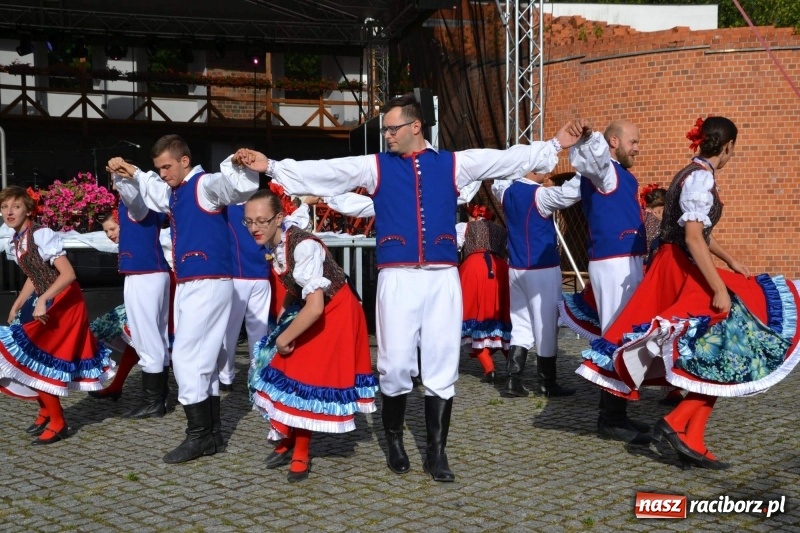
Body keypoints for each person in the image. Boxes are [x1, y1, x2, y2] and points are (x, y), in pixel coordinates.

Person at [233, 92, 587, 482]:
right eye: (385, 129)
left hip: (441, 277)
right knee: (396, 364)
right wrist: (273, 166)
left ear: (416, 127)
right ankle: (395, 439)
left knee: (441, 362)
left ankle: (437, 452)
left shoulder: (454, 163)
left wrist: (555, 145)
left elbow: (503, 158)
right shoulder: (376, 166)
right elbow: (331, 170)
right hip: (397, 277)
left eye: (391, 128)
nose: (386, 135)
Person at [576, 116, 800, 469]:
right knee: (729, 337)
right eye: (732, 150)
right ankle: (676, 425)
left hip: (675, 263)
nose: (731, 156)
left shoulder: (689, 172)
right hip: (681, 269)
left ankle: (690, 434)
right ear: (726, 147)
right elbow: (694, 237)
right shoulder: (701, 178)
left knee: (717, 344)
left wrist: (732, 261)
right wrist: (718, 287)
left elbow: (699, 233)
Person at [107, 134, 259, 464]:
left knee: (187, 358)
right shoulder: (176, 193)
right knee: (201, 359)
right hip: (195, 282)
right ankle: (211, 435)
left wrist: (237, 166)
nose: (163, 173)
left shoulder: (204, 185)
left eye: (167, 166)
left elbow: (236, 189)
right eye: (159, 168)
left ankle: (198, 435)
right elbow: (154, 191)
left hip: (208, 282)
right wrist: (131, 170)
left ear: (184, 161)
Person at [245, 189, 378, 482]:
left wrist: (283, 338)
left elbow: (316, 305)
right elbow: (296, 286)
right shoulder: (277, 241)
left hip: (336, 311)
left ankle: (300, 450)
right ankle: (287, 438)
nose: (255, 227)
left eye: (261, 221)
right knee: (281, 369)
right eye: (249, 221)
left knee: (304, 375)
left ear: (278, 218)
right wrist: (283, 316)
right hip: (313, 307)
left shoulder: (303, 246)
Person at [559, 120, 652, 445]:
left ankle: (617, 413)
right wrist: (589, 137)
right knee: (619, 335)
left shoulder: (618, 175)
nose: (638, 147)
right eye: (634, 141)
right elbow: (593, 159)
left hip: (624, 261)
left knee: (626, 334)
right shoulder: (606, 172)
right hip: (613, 263)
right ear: (614, 141)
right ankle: (610, 419)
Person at [0, 186, 114, 444]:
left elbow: (68, 274)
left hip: (64, 302)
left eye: (16, 206)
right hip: (47, 298)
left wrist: (41, 300)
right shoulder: (17, 239)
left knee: (35, 356)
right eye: (5, 206)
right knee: (31, 357)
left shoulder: (41, 234)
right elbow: (34, 274)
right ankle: (45, 410)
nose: (9, 211)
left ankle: (58, 421)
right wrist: (17, 303)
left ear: (28, 210)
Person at [492, 171, 581, 397]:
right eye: (543, 168)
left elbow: (497, 183)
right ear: (531, 170)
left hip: (517, 267)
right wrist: (586, 169)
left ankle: (513, 379)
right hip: (541, 268)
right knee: (546, 326)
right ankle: (547, 383)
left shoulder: (506, 192)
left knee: (521, 324)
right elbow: (571, 193)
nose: (547, 173)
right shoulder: (539, 195)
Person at [90, 178, 173, 418]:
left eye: (119, 181)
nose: (116, 187)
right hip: (146, 272)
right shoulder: (134, 205)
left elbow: (134, 197)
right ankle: (157, 398)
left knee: (146, 338)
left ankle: (154, 401)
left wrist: (125, 175)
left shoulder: (138, 202)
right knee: (153, 337)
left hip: (145, 273)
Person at [218, 202, 272, 393]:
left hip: (238, 274)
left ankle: (226, 376)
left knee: (230, 329)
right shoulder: (262, 205)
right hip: (258, 272)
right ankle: (256, 376)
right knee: (258, 329)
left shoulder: (226, 206)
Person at [456, 203, 510, 384]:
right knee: (500, 316)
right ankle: (513, 365)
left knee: (473, 316)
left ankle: (489, 369)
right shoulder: (501, 230)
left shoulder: (464, 227)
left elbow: (454, 246)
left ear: (472, 216)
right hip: (500, 268)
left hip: (473, 270)